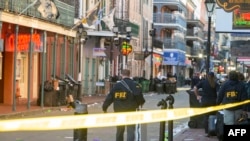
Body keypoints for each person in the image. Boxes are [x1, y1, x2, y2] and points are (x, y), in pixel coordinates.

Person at [102, 69, 145, 141]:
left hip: (119, 110)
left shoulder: (117, 86)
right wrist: (140, 103)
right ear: (129, 75)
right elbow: (139, 96)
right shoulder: (134, 84)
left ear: (122, 75)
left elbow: (110, 97)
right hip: (131, 110)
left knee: (119, 130)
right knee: (131, 129)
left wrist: (105, 107)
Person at [193, 72, 220, 137]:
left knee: (206, 117)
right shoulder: (215, 83)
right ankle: (212, 131)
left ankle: (207, 132)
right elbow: (218, 93)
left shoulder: (203, 82)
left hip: (204, 101)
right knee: (213, 117)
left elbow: (195, 88)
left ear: (207, 76)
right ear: (213, 77)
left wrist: (197, 96)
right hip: (213, 102)